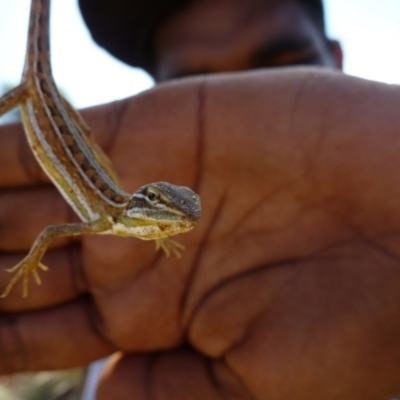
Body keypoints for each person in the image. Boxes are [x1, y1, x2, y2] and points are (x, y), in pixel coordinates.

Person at [1, 1, 400, 399]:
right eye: (188, 82)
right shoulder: (107, 220)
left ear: (337, 57)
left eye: (285, 65)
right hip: (33, 96)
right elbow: (53, 230)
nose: (238, 97)